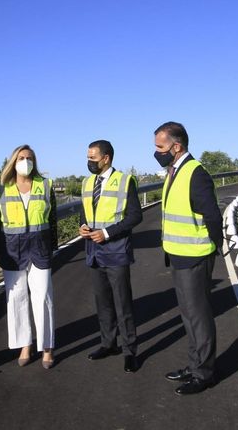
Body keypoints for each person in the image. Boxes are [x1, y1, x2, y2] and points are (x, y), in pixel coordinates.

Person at [153, 121, 223, 396]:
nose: (157, 152)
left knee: (199, 317)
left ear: (177, 146)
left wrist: (215, 247)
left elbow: (212, 216)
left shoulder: (196, 173)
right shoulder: (175, 171)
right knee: (189, 316)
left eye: (160, 147)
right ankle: (194, 365)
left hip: (195, 256)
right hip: (178, 255)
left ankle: (204, 374)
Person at [0, 145, 58, 369]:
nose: (25, 161)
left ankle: (47, 347)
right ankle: (24, 345)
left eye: (29, 158)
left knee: (43, 297)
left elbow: (52, 219)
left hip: (40, 248)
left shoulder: (45, 185)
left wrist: (53, 246)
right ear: (13, 161)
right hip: (12, 250)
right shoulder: (2, 187)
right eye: (21, 158)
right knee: (16, 299)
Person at [79, 140, 143, 373]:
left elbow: (135, 216)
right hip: (94, 252)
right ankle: (108, 344)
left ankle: (130, 352)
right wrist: (82, 226)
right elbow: (85, 212)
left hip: (115, 251)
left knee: (122, 303)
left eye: (93, 158)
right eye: (88, 157)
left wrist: (106, 233)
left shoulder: (125, 181)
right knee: (103, 302)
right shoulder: (87, 182)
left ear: (106, 158)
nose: (89, 162)